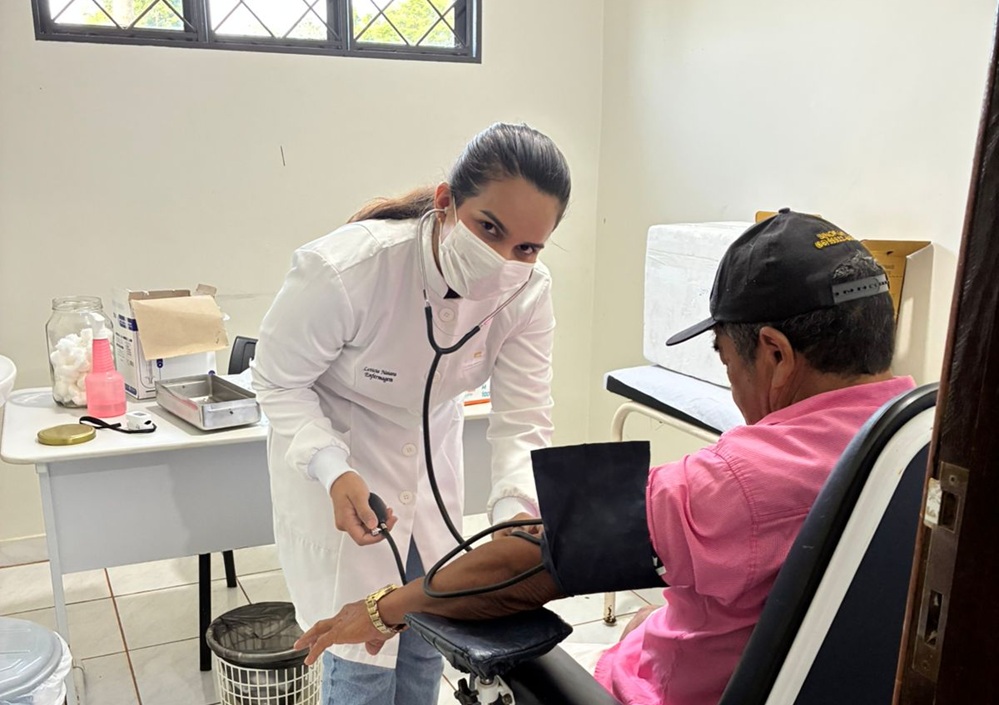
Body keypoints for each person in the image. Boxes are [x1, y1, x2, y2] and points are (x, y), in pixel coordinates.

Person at [292, 210, 916, 705]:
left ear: (776, 354)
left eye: (726, 360)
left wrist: (381, 608)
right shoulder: (922, 437)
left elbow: (527, 560)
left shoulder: (733, 484)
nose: (731, 386)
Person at [251, 123, 572, 705]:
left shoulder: (528, 291)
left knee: (429, 637)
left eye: (527, 247)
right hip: (341, 464)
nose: (504, 259)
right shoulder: (347, 270)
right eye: (489, 229)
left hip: (431, 476)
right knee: (360, 666)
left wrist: (513, 516)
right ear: (448, 202)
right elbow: (276, 380)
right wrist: (331, 468)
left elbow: (523, 418)